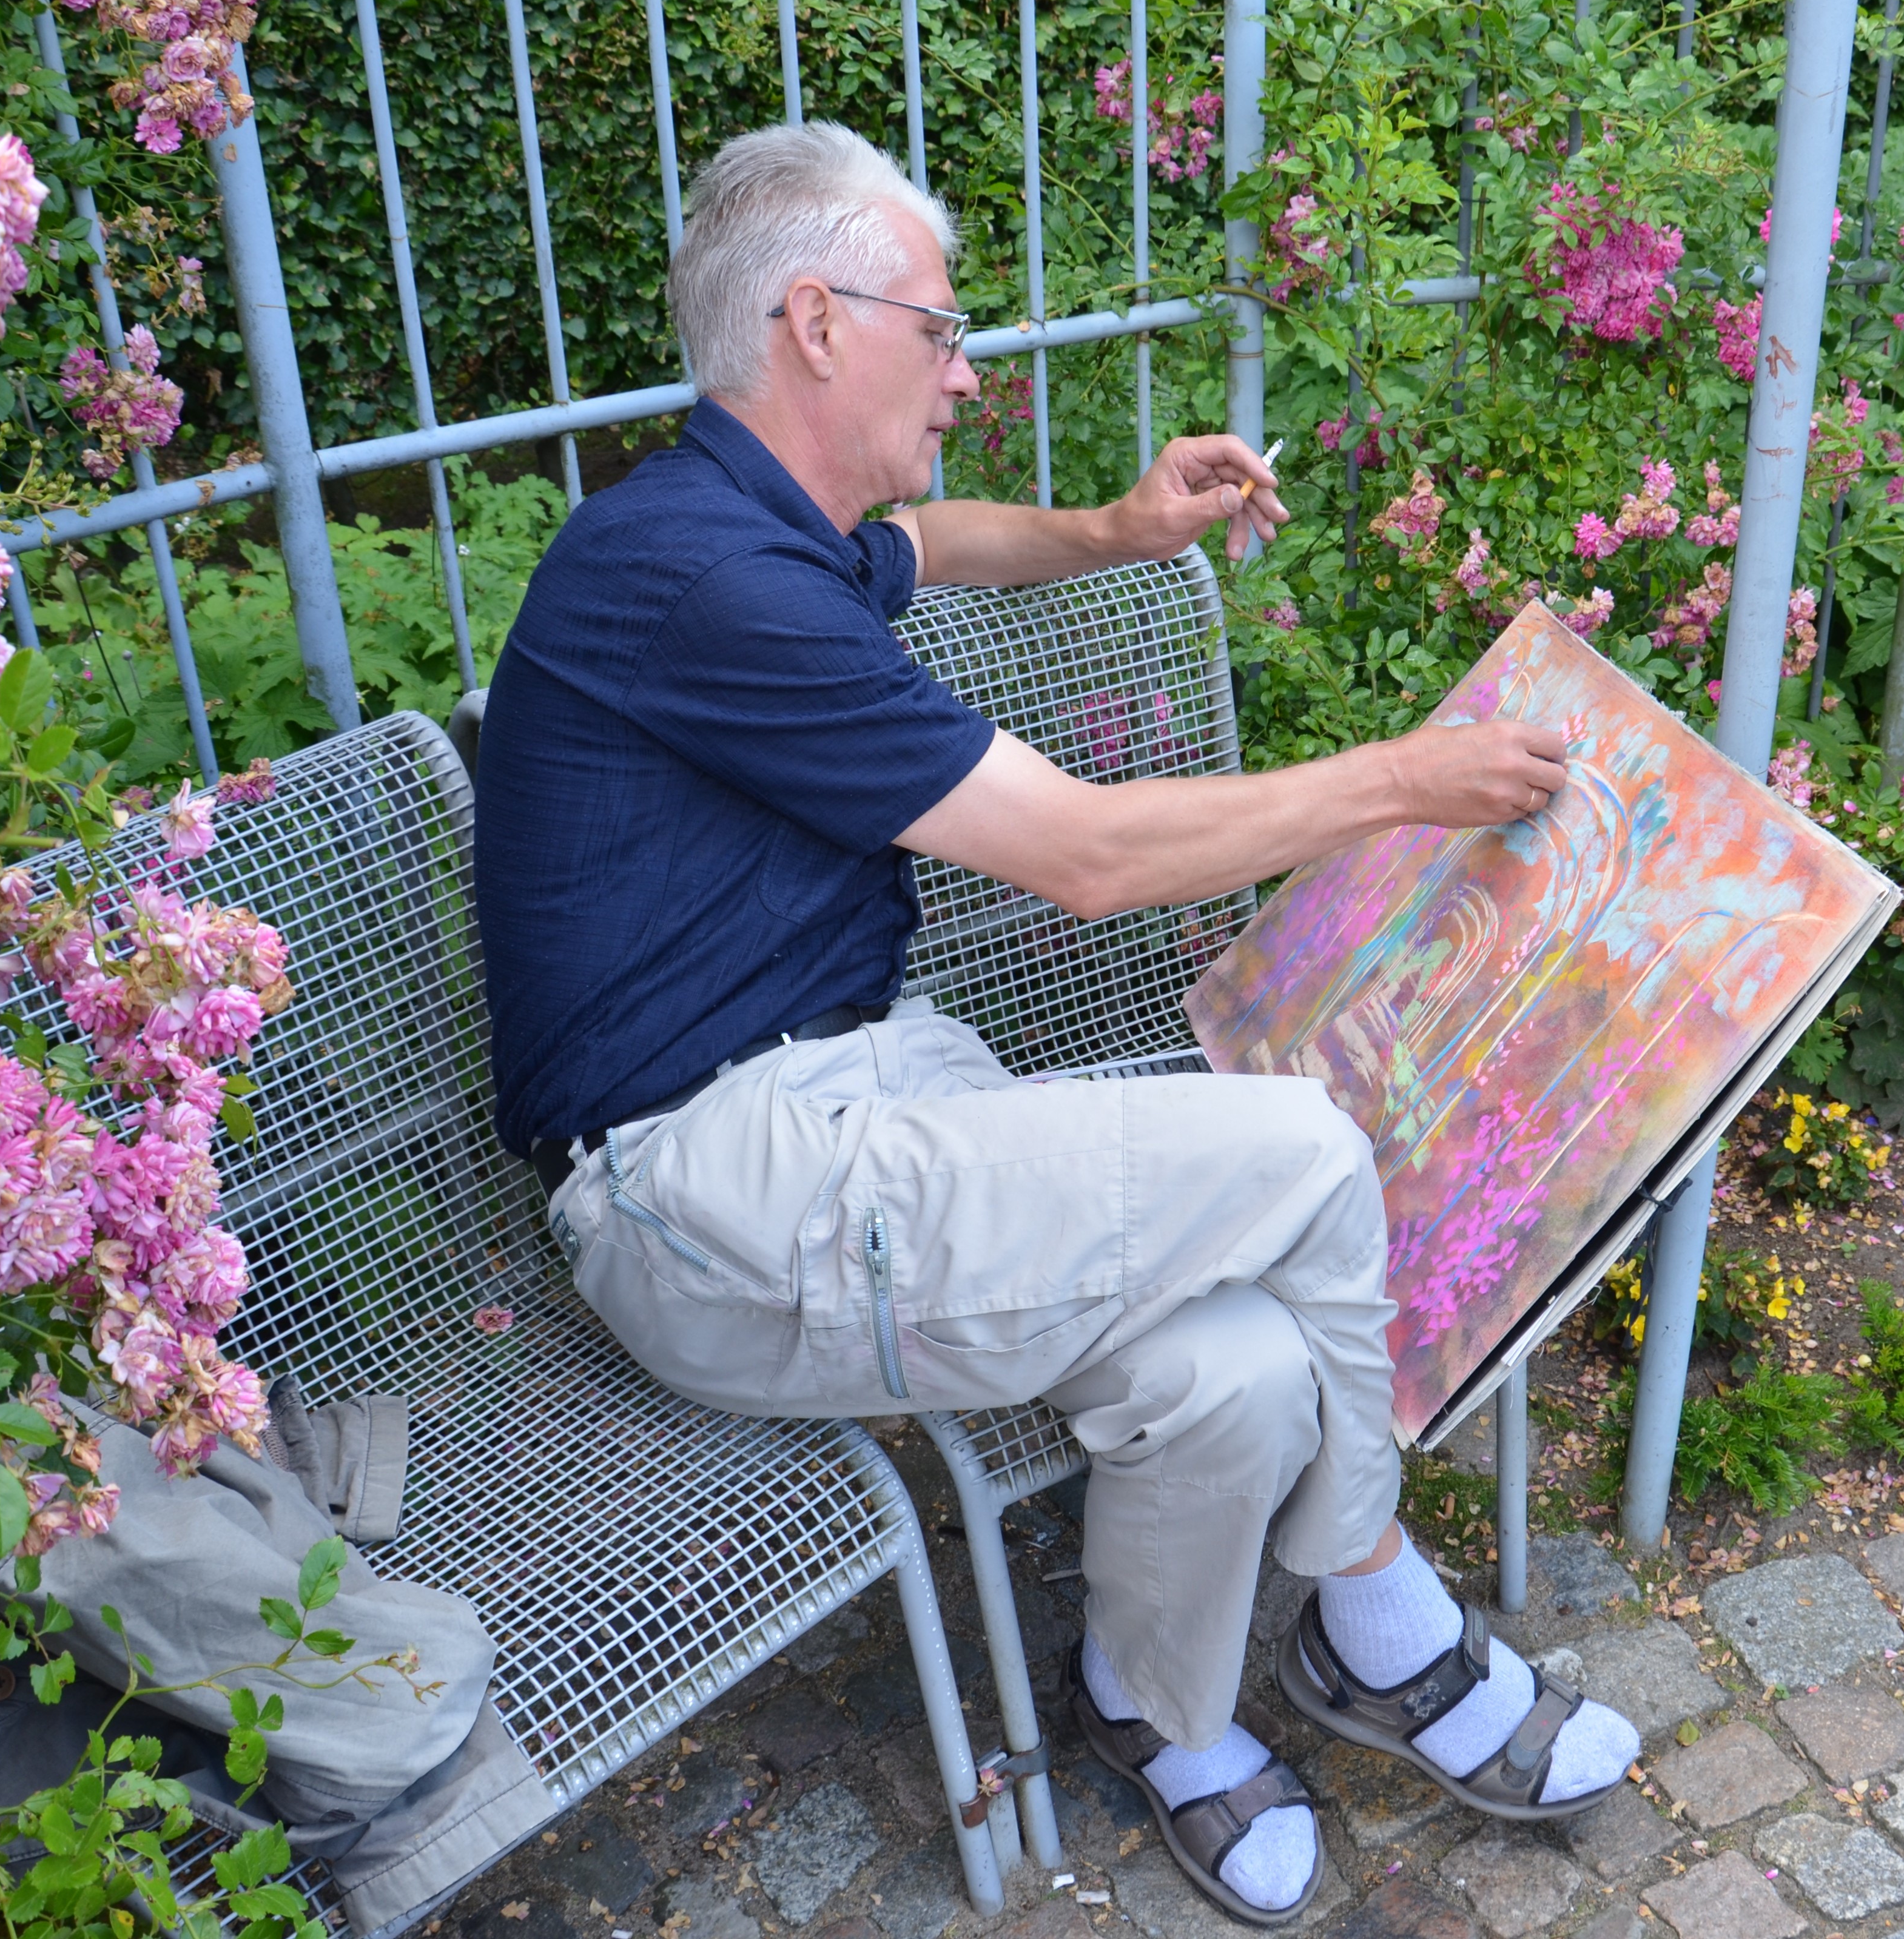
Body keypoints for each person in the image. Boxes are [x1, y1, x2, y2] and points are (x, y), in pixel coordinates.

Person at [472, 121, 1641, 1927]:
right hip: (717, 1194)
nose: (965, 368)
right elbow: (1091, 857)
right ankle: (1380, 1625)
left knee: (1235, 1374)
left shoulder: (754, 528)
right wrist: (1405, 782)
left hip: (861, 1117)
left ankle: (1151, 1713)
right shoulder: (703, 581)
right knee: (1310, 1150)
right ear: (812, 323)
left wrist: (1108, 531)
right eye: (937, 330)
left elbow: (925, 545)